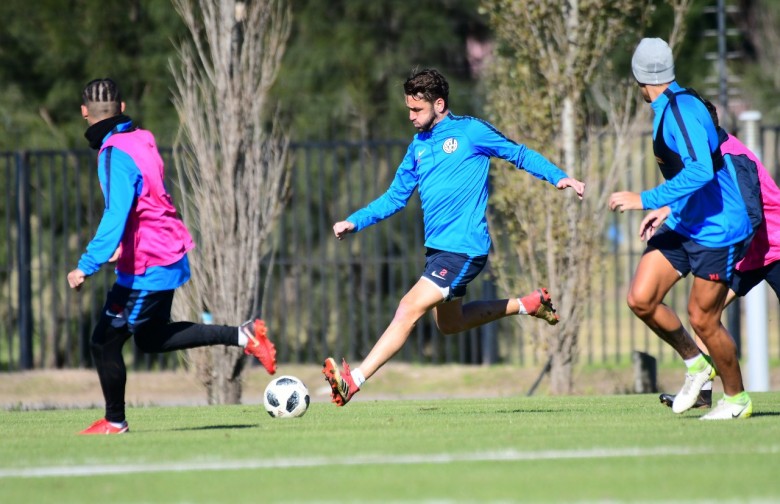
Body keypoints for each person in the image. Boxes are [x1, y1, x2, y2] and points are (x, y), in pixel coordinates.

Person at [322, 68, 585, 406]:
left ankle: (353, 381)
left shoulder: (471, 131)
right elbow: (394, 197)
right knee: (451, 323)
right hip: (439, 253)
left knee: (407, 308)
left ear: (439, 103)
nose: (411, 117)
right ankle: (527, 304)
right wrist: (355, 222)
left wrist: (559, 177)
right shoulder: (417, 147)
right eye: (408, 110)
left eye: (417, 110)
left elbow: (517, 153)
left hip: (464, 250)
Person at [68, 78, 277, 434]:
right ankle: (243, 335)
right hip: (167, 252)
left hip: (149, 263)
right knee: (151, 338)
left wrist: (87, 263)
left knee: (104, 340)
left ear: (83, 112)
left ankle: (115, 421)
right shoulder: (142, 139)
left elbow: (116, 213)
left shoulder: (114, 151)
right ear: (122, 108)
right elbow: (148, 201)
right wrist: (125, 245)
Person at [609, 38, 754, 420]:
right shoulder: (667, 107)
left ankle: (737, 399)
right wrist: (668, 209)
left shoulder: (680, 109)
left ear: (640, 77)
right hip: (685, 220)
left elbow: (702, 170)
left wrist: (646, 198)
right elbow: (692, 173)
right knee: (641, 298)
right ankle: (696, 365)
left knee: (703, 318)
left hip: (717, 230)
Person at [650, 96, 780, 409]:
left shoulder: (733, 156)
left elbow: (751, 215)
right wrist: (668, 209)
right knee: (705, 318)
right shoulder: (705, 159)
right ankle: (703, 393)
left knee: (704, 316)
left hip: (773, 247)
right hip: (748, 256)